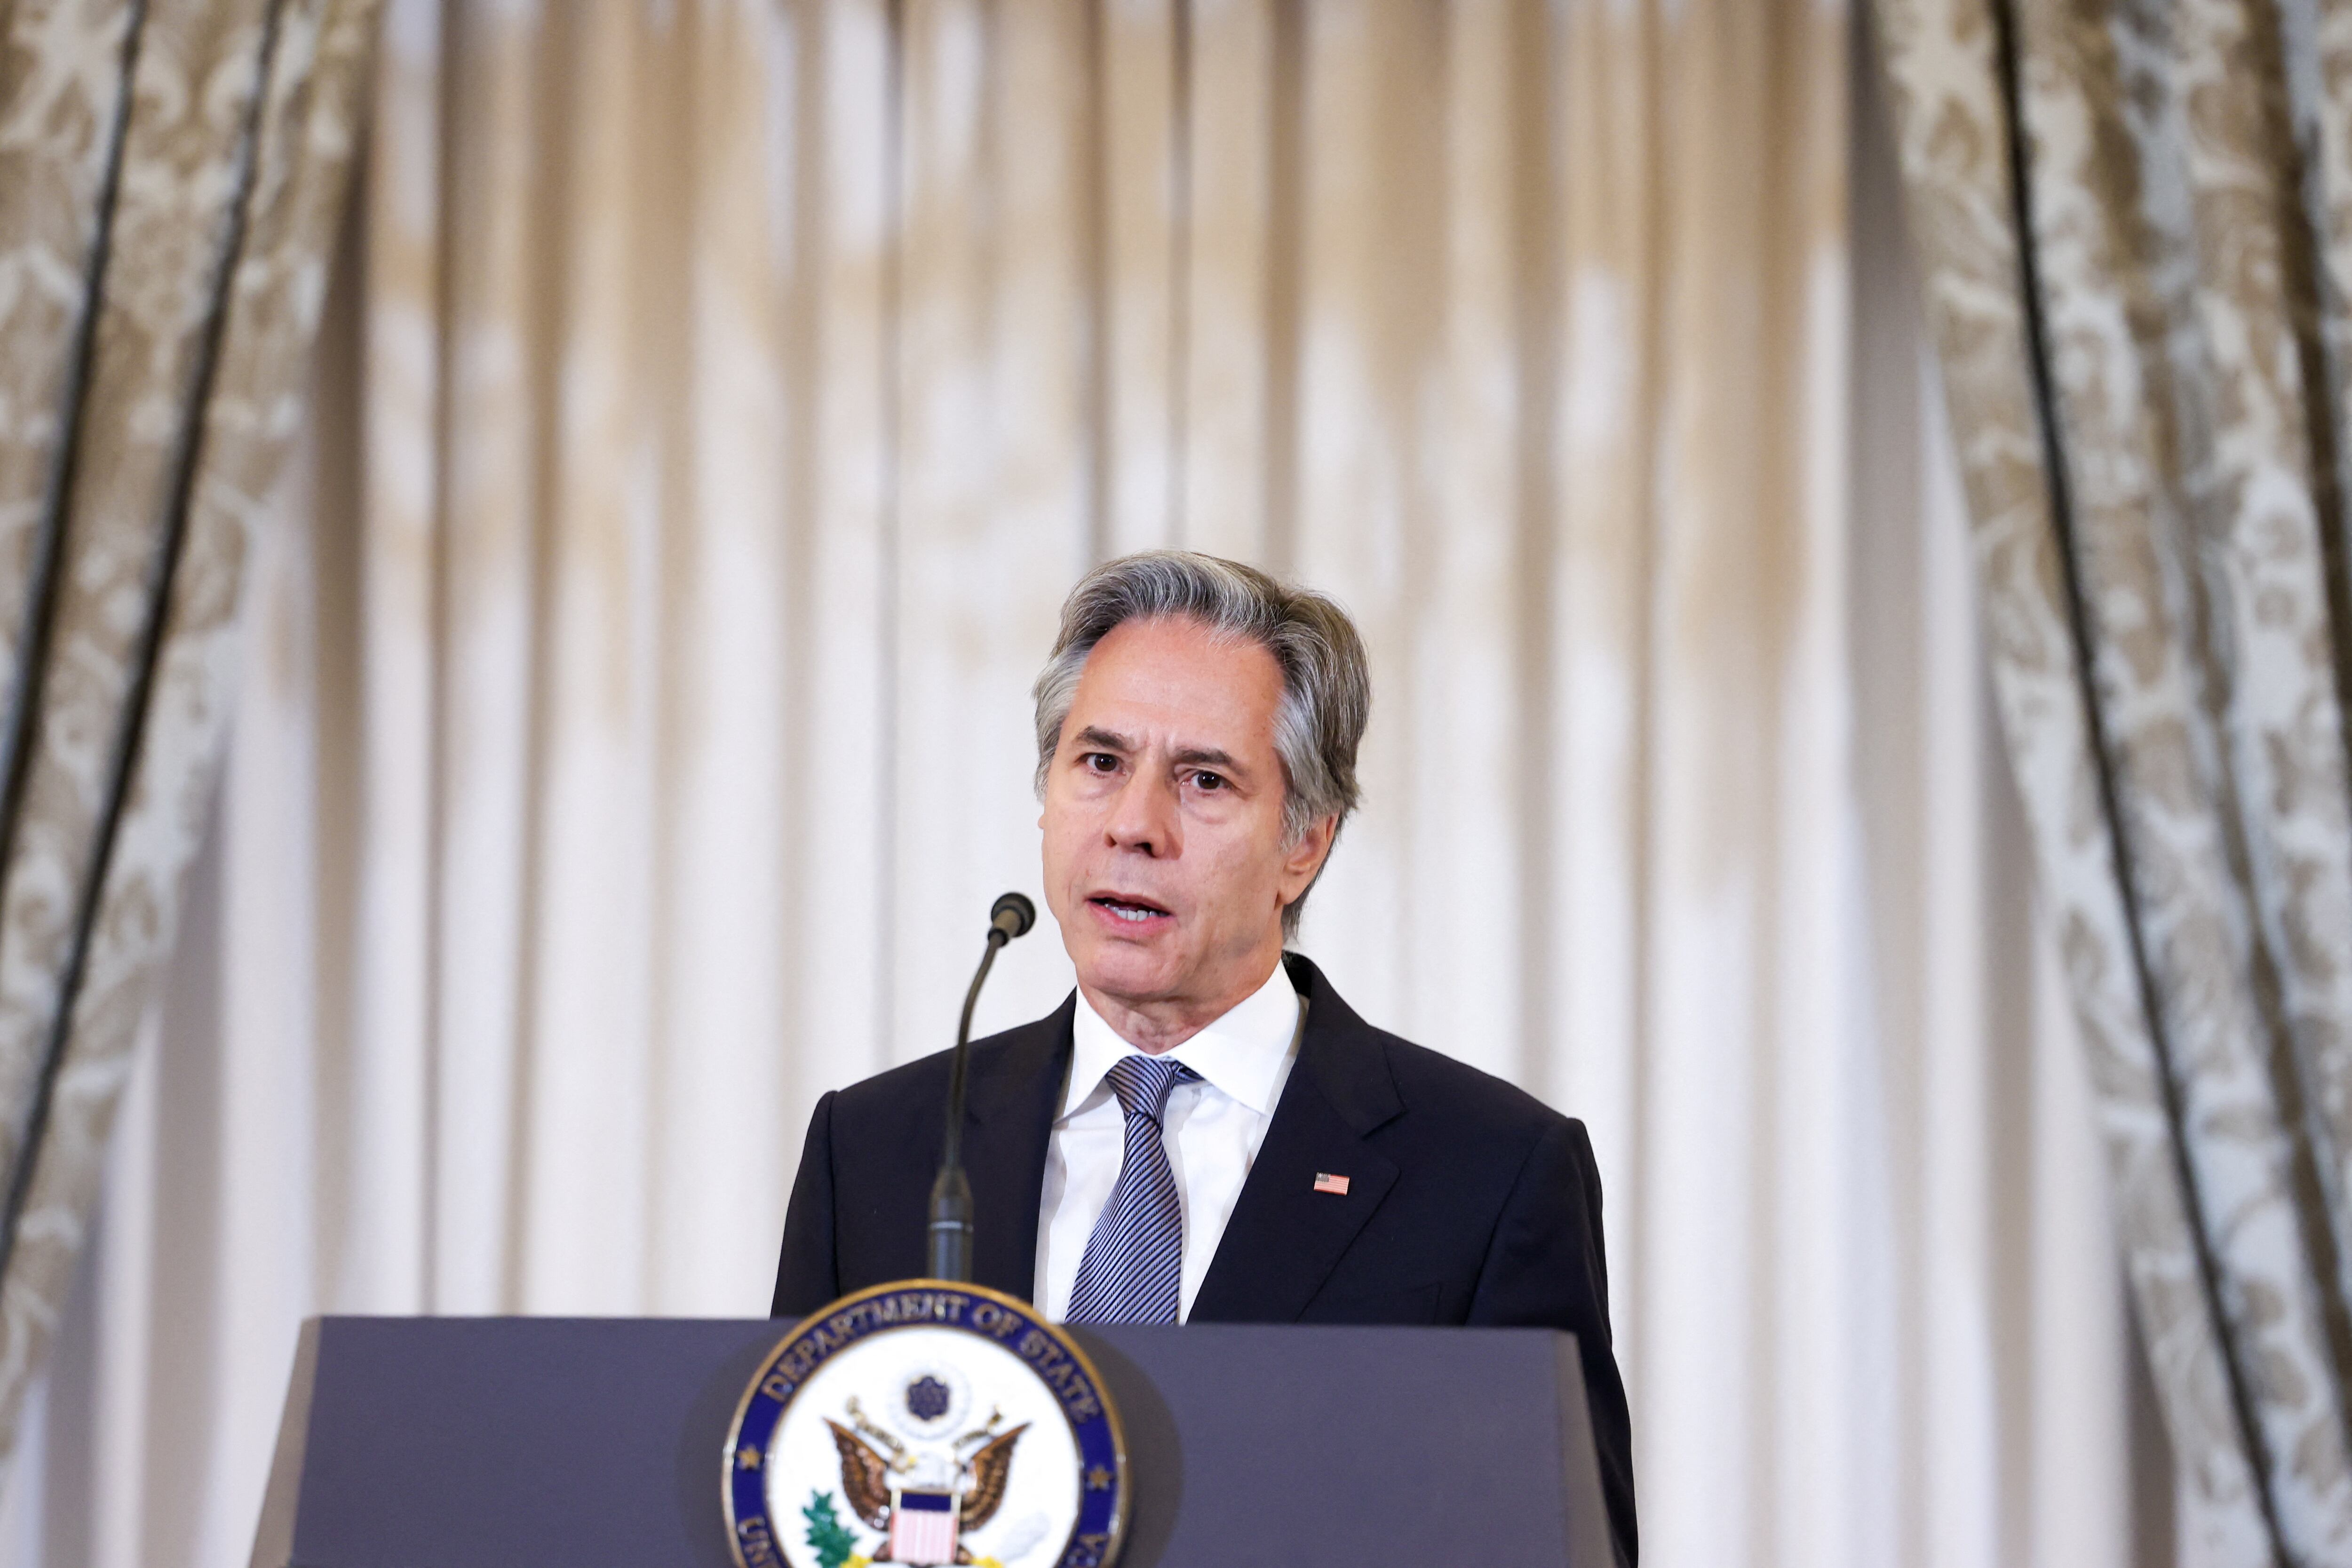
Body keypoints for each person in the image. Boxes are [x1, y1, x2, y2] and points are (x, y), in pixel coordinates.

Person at [771, 551, 1635, 1565]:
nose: (1134, 826)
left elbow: (1556, 1546)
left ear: (1304, 841)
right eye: (1098, 763)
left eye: (1204, 779)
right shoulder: (878, 1150)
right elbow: (796, 1507)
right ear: (1047, 793)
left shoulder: (1489, 1173)